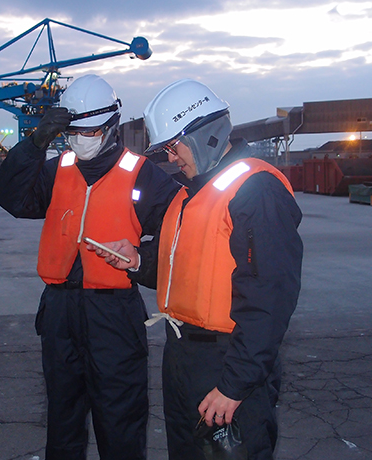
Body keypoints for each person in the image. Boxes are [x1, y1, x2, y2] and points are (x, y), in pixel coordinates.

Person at [91, 79, 303, 459]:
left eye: (173, 147)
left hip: (226, 364)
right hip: (183, 359)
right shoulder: (189, 194)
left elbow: (270, 299)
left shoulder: (256, 191)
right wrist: (138, 260)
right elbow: (185, 270)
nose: (171, 159)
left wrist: (234, 386)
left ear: (206, 133)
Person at [0, 74, 181, 460]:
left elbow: (180, 231)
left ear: (111, 127)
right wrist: (34, 144)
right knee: (63, 423)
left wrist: (141, 259)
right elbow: (10, 197)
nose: (81, 138)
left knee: (120, 424)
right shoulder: (55, 169)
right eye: (74, 131)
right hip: (60, 314)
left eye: (91, 130)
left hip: (114, 316)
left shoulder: (142, 173)